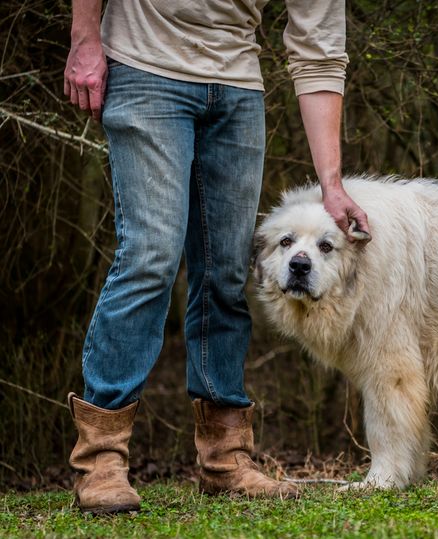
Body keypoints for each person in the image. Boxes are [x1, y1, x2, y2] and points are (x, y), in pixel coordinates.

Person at [63, 0, 370, 513]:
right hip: (145, 68)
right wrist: (85, 37)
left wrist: (331, 185)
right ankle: (100, 460)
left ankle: (225, 459)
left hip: (237, 87)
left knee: (226, 272)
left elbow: (318, 50)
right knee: (150, 259)